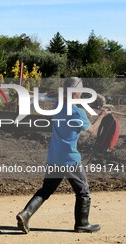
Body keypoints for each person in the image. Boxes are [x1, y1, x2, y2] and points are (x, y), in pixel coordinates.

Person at [16, 77, 108, 234]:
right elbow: (91, 131)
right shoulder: (79, 112)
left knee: (45, 190)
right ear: (76, 92)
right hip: (70, 159)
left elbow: (67, 100)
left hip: (54, 157)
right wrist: (102, 116)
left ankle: (25, 214)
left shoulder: (57, 106)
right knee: (83, 191)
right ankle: (82, 224)